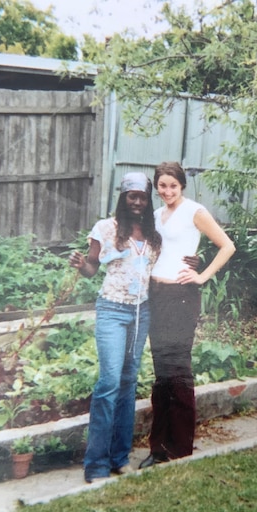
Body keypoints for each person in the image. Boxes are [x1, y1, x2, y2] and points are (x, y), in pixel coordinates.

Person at [139, 161, 236, 469]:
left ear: (182, 186)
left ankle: (180, 449)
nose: (167, 191)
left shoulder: (195, 211)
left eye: (173, 186)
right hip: (157, 295)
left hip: (181, 297)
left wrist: (202, 275)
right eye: (162, 186)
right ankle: (158, 447)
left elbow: (227, 246)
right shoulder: (155, 215)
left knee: (178, 370)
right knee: (161, 374)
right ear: (156, 187)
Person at [69, 172, 161, 483]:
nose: (137, 201)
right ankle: (95, 465)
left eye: (142, 197)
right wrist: (82, 265)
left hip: (141, 313)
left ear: (148, 202)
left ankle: (120, 458)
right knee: (108, 382)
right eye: (131, 196)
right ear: (122, 198)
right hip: (112, 310)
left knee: (128, 382)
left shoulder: (152, 231)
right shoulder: (105, 229)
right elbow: (92, 268)